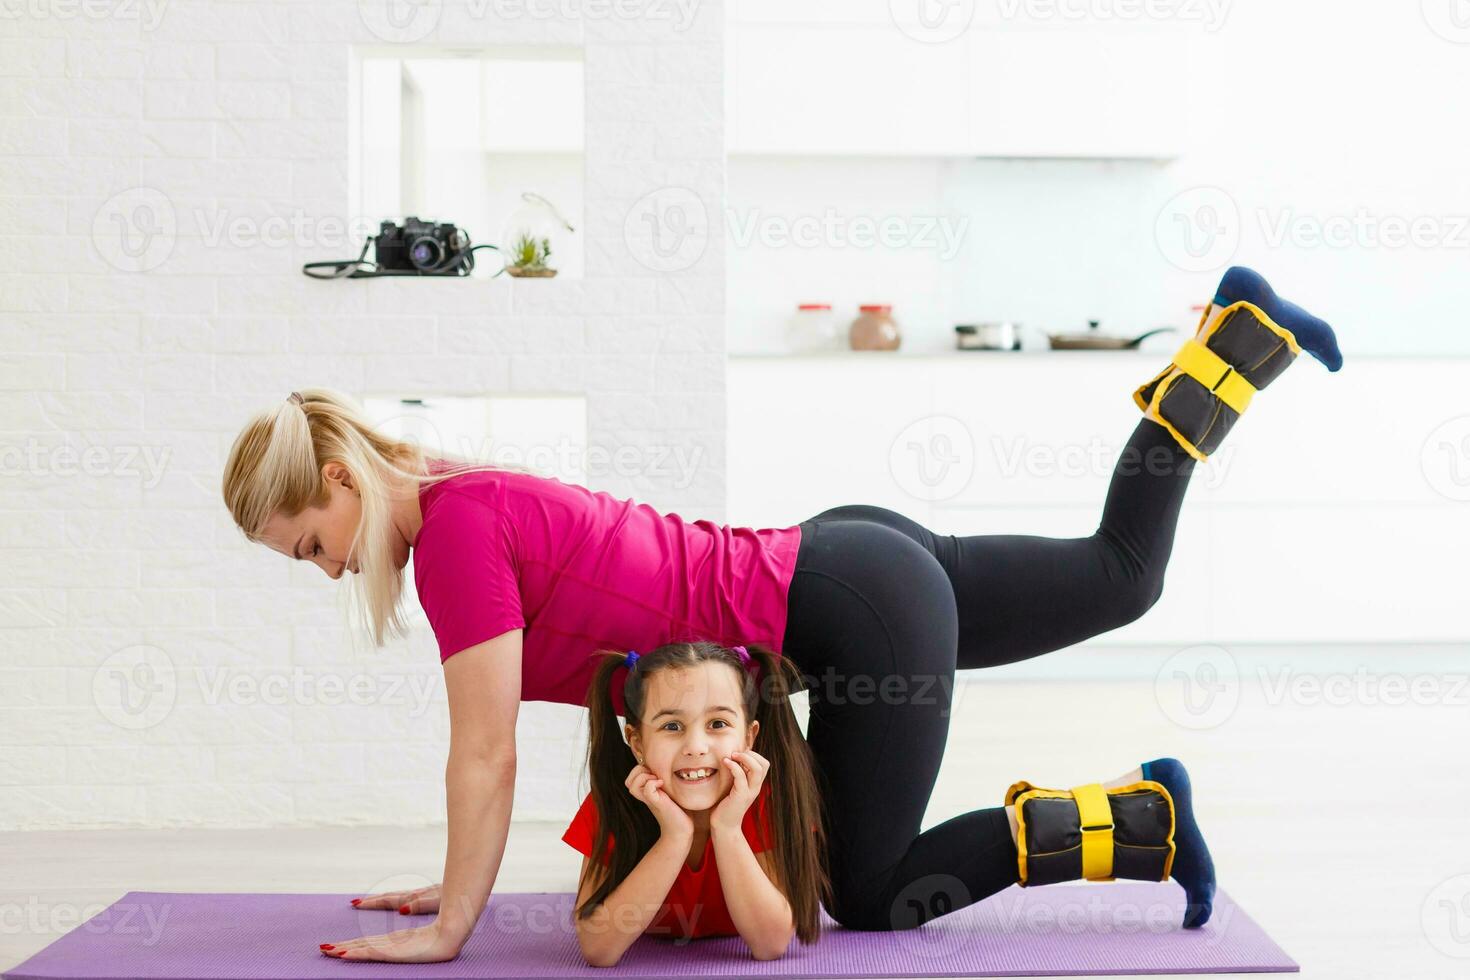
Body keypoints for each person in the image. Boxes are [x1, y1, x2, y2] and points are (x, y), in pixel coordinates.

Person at [221, 266, 1342, 962]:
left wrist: (451, 920)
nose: (325, 569)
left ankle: (1133, 819)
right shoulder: (455, 493)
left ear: (339, 476)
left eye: (313, 545)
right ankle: (1232, 348)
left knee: (871, 891)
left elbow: (484, 749)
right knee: (1121, 576)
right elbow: (502, 735)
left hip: (848, 607)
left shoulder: (453, 541)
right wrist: (451, 872)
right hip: (847, 566)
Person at [562, 640, 827, 965]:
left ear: (748, 737)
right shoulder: (614, 803)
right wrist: (675, 837)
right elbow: (598, 949)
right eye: (672, 726)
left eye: (718, 724)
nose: (696, 746)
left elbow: (770, 944)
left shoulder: (767, 803)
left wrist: (727, 828)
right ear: (637, 743)